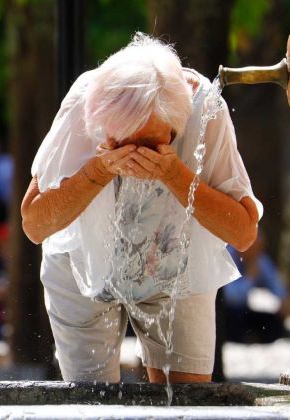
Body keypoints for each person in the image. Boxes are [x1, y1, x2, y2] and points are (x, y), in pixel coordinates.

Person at [21, 33, 261, 384]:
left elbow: (243, 233)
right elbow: (35, 224)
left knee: (186, 405)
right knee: (93, 403)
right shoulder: (85, 102)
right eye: (119, 141)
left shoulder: (205, 111)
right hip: (83, 266)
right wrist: (100, 169)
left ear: (177, 126)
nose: (133, 155)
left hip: (177, 264)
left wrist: (174, 174)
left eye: (147, 143)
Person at [223, 234, 287, 343]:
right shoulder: (228, 257)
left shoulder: (258, 259)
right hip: (229, 312)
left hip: (245, 311)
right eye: (255, 248)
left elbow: (275, 282)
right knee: (234, 319)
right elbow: (231, 297)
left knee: (274, 322)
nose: (257, 252)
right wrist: (249, 278)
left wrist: (283, 301)